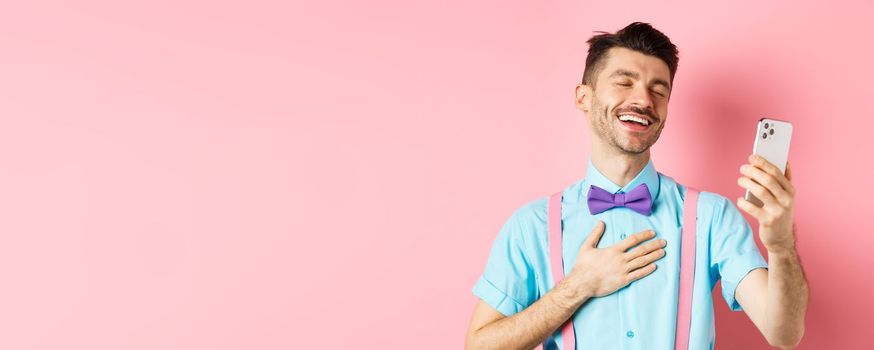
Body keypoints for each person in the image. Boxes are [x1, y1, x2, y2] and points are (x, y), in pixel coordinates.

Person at [464, 22, 808, 350]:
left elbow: (784, 332)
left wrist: (779, 245)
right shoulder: (532, 225)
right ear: (584, 97)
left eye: (659, 89)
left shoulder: (711, 216)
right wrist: (576, 287)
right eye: (624, 82)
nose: (644, 100)